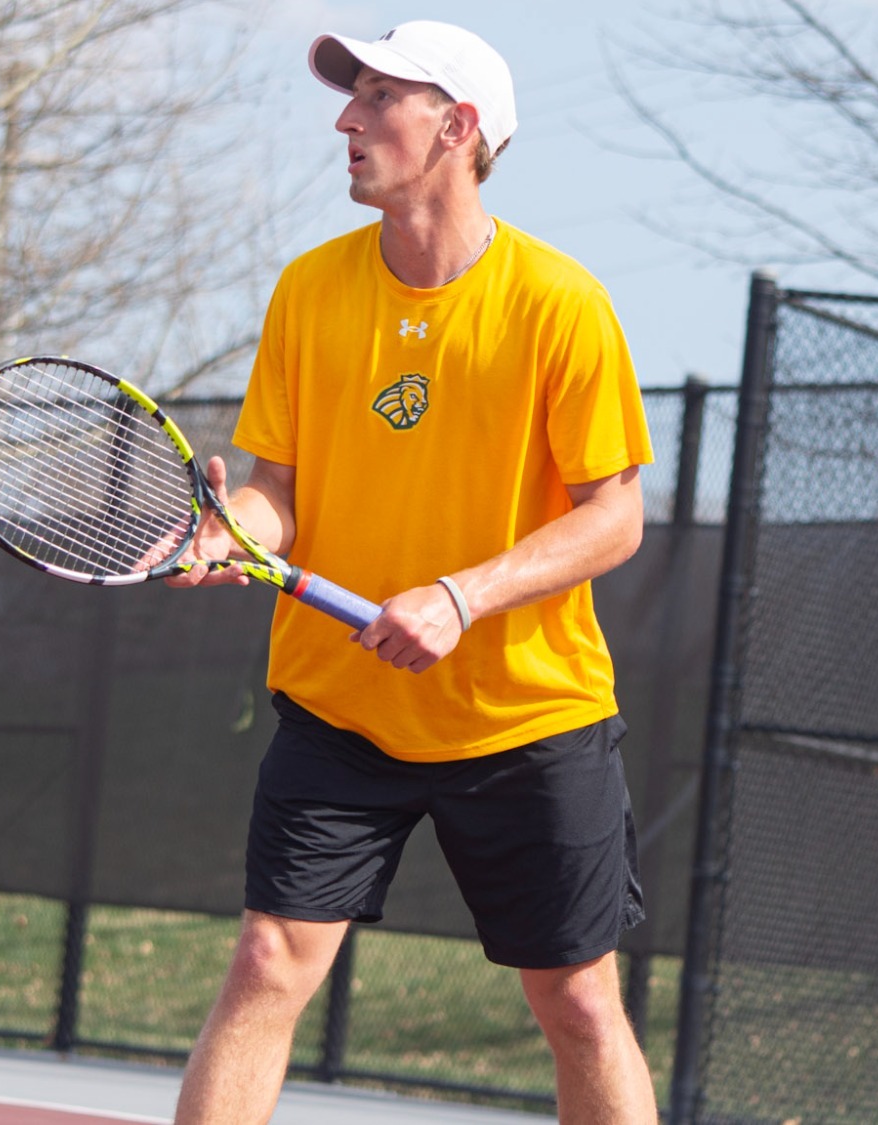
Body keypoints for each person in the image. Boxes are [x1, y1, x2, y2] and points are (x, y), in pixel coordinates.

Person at [167, 21, 657, 1123]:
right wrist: (225, 531)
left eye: (379, 95)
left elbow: (615, 517)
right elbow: (273, 494)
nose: (344, 118)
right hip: (342, 710)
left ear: (458, 127)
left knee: (576, 1001)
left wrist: (458, 596)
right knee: (264, 964)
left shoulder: (556, 304)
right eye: (352, 95)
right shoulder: (308, 291)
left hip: (527, 715)